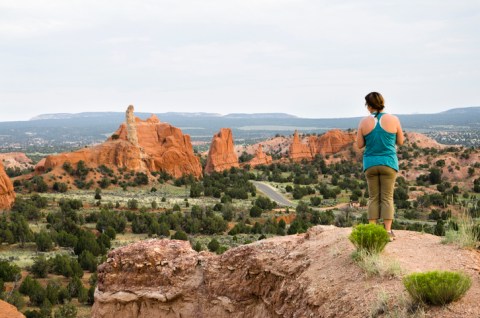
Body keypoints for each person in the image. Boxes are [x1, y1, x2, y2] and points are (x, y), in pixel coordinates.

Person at [356, 92, 404, 240]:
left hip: (370, 163)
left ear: (369, 106)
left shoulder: (364, 122)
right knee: (387, 197)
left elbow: (359, 145)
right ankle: (388, 232)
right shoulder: (393, 119)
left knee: (373, 197)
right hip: (389, 163)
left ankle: (372, 230)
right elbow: (400, 141)